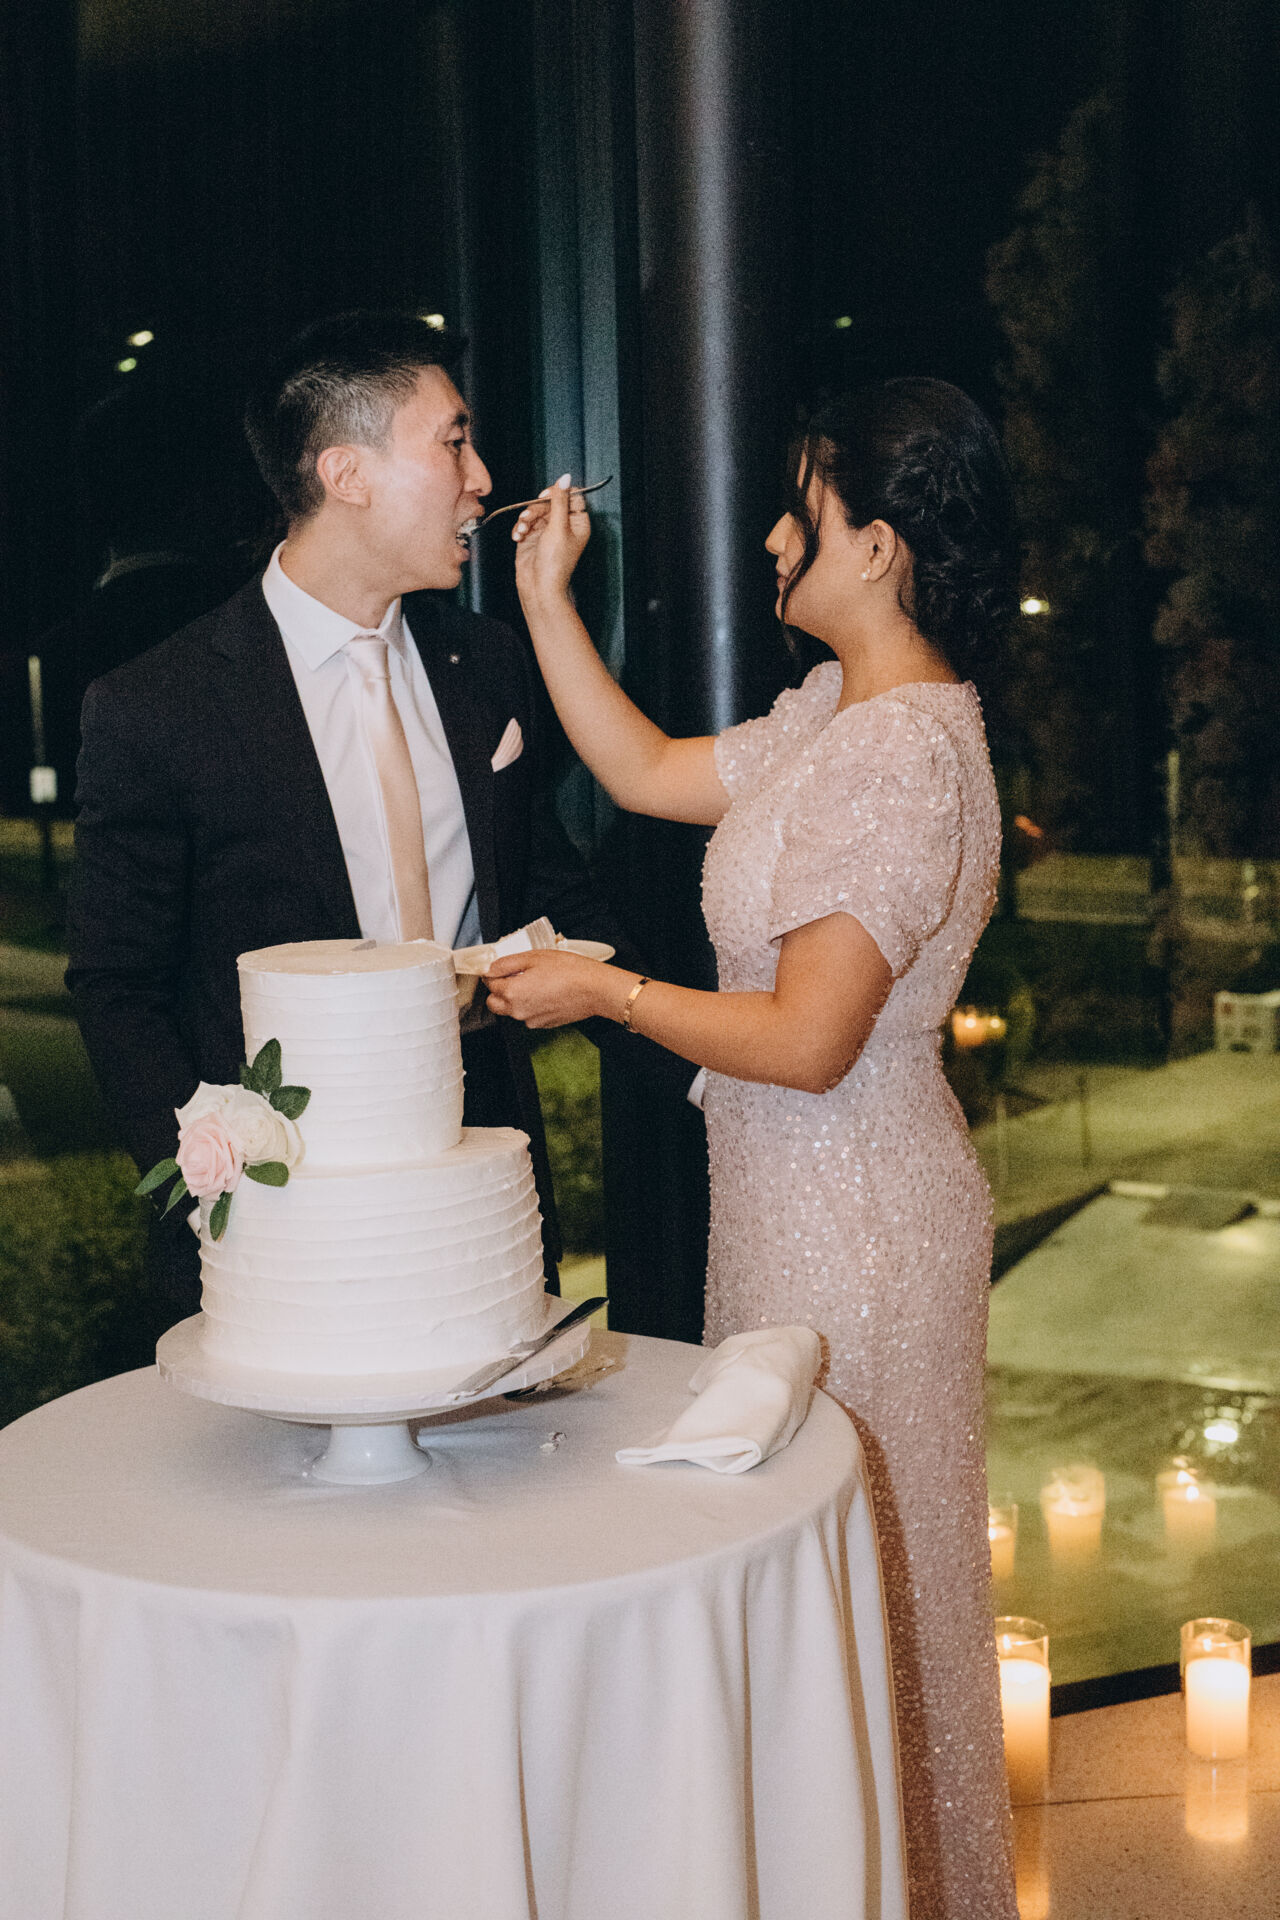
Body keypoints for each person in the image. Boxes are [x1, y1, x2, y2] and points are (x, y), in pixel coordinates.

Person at [484, 378, 1019, 1918]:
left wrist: (605, 992)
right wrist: (544, 594)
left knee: (857, 1607)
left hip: (859, 1230)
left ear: (883, 547)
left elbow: (808, 1037)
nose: (777, 538)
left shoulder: (900, 755)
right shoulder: (831, 713)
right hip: (789, 1209)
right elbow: (647, 770)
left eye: (806, 510)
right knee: (816, 1596)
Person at [65, 309, 640, 1319]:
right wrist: (206, 1184)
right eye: (453, 442)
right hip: (286, 1218)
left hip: (483, 1189)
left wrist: (705, 1055)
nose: (482, 479)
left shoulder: (486, 665)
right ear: (347, 474)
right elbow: (118, 986)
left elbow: (550, 892)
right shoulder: (158, 706)